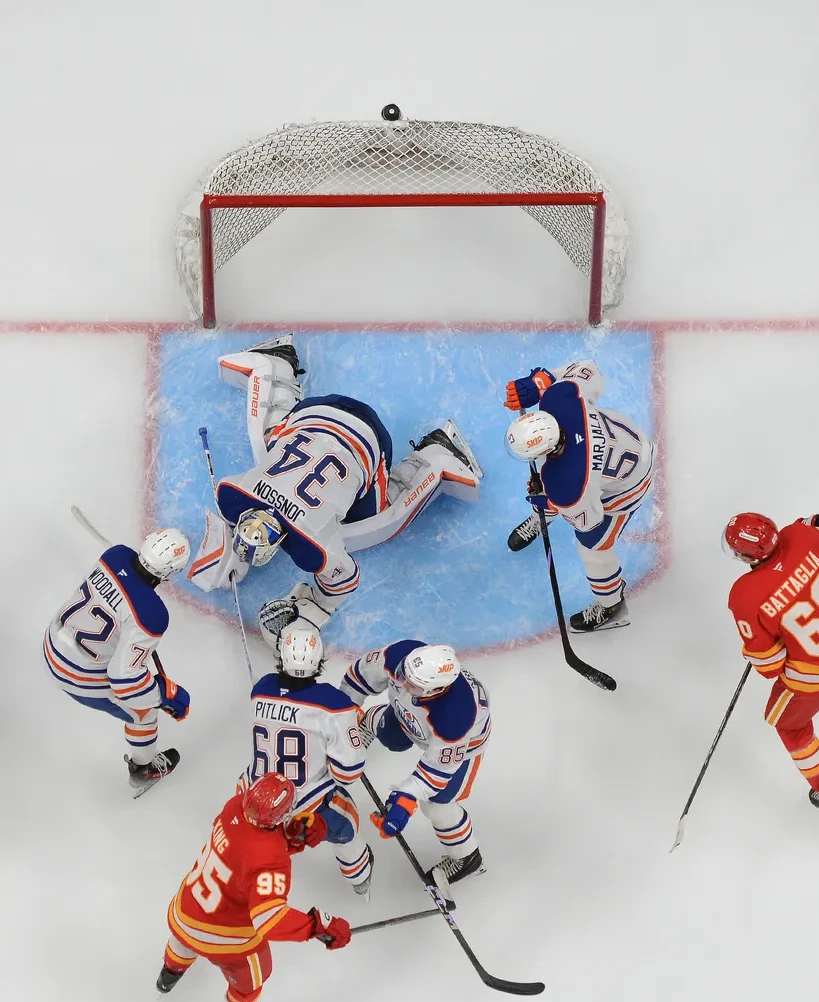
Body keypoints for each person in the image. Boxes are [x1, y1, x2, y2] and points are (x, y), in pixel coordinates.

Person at [188, 334, 484, 637]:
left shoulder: (311, 544)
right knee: (270, 444)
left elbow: (345, 578)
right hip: (317, 413)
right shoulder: (233, 494)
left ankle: (437, 455)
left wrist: (318, 606)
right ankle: (275, 367)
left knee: (378, 518)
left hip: (368, 440)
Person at [157, 773, 354, 1002]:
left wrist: (288, 836)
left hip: (185, 909)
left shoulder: (233, 807)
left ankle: (169, 973)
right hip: (224, 936)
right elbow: (269, 920)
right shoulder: (271, 860)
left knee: (184, 940)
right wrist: (316, 925)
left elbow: (245, 851)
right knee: (251, 981)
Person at [721, 513, 819, 818]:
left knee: (789, 725)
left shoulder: (744, 596)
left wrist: (760, 643)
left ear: (746, 556)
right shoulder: (801, 535)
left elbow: (770, 667)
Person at [501, 357, 654, 632]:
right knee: (550, 487)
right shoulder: (560, 399)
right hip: (629, 442)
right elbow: (589, 369)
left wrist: (550, 501)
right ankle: (541, 518)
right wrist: (541, 382)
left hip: (629, 485)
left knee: (592, 547)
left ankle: (612, 607)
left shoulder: (569, 485)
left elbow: (588, 521)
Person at [43, 528, 195, 794]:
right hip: (75, 673)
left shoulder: (115, 555)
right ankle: (143, 770)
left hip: (51, 642)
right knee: (143, 713)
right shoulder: (152, 614)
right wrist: (163, 695)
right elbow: (124, 680)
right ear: (172, 573)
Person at [238, 625, 375, 894]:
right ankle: (360, 878)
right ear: (319, 660)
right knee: (347, 821)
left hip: (255, 797)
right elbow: (348, 772)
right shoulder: (335, 703)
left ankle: (245, 868)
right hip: (306, 807)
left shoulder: (261, 688)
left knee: (247, 792)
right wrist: (346, 735)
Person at [342, 640, 492, 884]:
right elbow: (359, 677)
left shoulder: (457, 717)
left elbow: (434, 773)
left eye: (411, 683)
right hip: (414, 717)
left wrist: (404, 799)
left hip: (464, 747)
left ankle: (467, 857)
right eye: (403, 673)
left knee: (437, 805)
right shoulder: (401, 655)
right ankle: (369, 721)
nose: (401, 682)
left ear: (434, 690)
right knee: (393, 738)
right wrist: (343, 712)